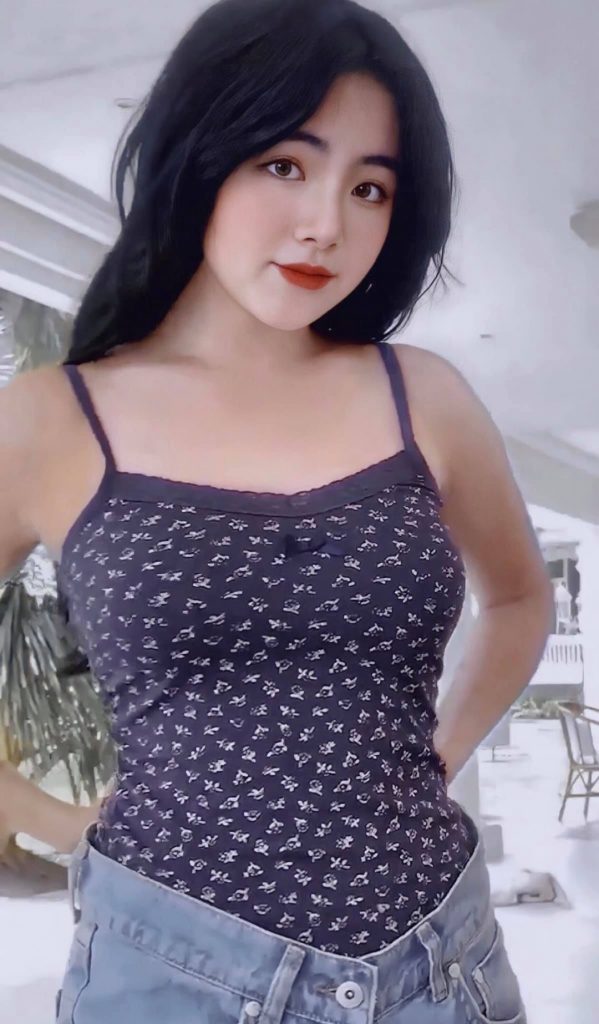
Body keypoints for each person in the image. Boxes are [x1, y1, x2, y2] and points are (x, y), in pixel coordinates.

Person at [0, 0, 552, 1020]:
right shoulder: (49, 421)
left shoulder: (422, 395)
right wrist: (51, 818)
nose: (326, 225)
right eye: (284, 165)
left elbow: (518, 599)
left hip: (438, 968)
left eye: (369, 187)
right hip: (171, 977)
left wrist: (439, 749)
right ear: (198, 155)